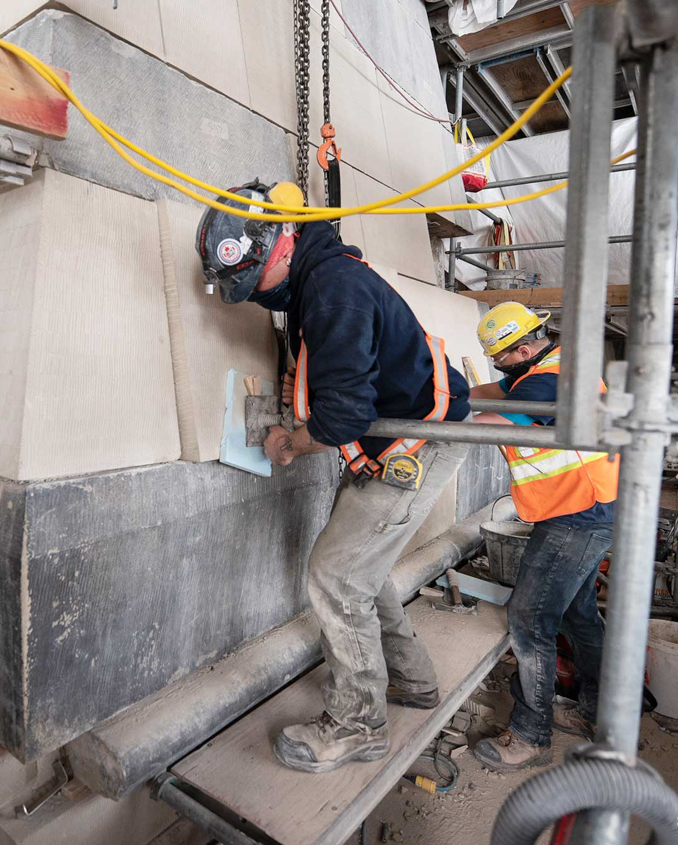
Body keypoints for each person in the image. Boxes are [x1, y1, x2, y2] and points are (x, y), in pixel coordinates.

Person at [196, 181, 472, 773]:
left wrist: (291, 444)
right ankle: (413, 683)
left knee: (335, 575)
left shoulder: (332, 290)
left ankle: (356, 726)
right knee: (358, 571)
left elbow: (343, 413)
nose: (253, 298)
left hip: (416, 441)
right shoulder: (317, 280)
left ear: (281, 241)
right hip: (397, 435)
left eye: (251, 281)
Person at [466, 302, 618, 771]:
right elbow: (489, 390)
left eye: (503, 358)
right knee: (579, 615)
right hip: (593, 507)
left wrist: (433, 412)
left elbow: (490, 420)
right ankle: (600, 714)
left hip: (578, 513)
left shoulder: (546, 381)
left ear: (526, 348)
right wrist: (439, 388)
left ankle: (530, 734)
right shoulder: (551, 366)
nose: (500, 368)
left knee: (530, 618)